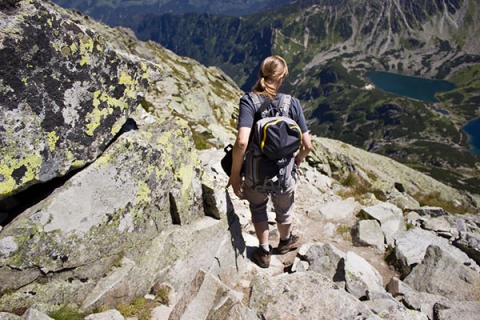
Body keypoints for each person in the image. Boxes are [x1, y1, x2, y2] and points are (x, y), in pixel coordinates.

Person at [228, 55, 312, 268]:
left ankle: (263, 251)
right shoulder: (292, 103)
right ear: (282, 77)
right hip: (284, 171)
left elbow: (241, 143)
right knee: (284, 210)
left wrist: (235, 175)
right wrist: (298, 160)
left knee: (258, 207)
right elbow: (308, 145)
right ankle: (284, 242)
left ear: (261, 73)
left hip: (256, 172)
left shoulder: (249, 100)